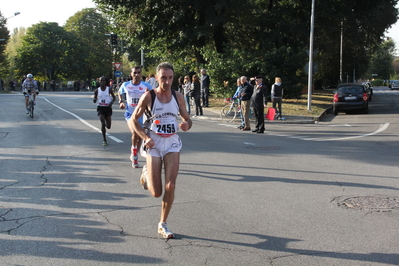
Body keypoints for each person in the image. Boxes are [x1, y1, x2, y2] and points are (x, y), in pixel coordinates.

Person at [129, 62, 192, 239]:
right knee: (156, 192)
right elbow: (134, 120)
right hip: (154, 144)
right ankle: (146, 173)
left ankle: (162, 224)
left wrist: (187, 124)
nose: (167, 81)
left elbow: (187, 119)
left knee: (170, 185)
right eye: (163, 77)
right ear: (156, 78)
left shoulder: (178, 96)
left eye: (170, 77)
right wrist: (146, 138)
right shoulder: (149, 96)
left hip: (172, 143)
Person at [118, 66, 152, 168]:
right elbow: (120, 92)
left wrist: (148, 93)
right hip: (130, 114)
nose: (136, 75)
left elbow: (154, 96)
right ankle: (134, 152)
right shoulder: (126, 85)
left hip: (141, 115)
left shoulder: (146, 85)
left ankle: (135, 152)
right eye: (134, 73)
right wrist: (121, 101)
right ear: (131, 74)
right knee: (134, 132)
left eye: (138, 73)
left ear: (141, 74)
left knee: (140, 136)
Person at [93, 76, 116, 146]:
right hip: (100, 108)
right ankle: (104, 139)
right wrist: (94, 100)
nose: (102, 82)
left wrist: (111, 103)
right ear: (99, 82)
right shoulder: (97, 90)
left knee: (108, 126)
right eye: (101, 81)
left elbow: (114, 97)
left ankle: (106, 123)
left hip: (107, 108)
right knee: (102, 123)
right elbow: (94, 99)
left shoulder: (109, 89)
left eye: (104, 81)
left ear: (106, 82)